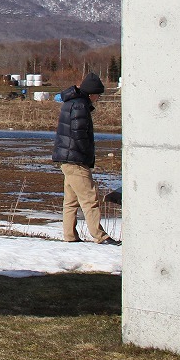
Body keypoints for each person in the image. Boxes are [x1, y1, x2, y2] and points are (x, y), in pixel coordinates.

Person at [52, 72, 119, 245]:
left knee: (71, 201)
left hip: (67, 159)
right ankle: (100, 236)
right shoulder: (80, 106)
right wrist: (85, 154)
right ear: (92, 93)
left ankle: (70, 236)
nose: (98, 98)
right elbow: (79, 135)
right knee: (90, 198)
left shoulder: (71, 102)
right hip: (76, 160)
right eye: (98, 95)